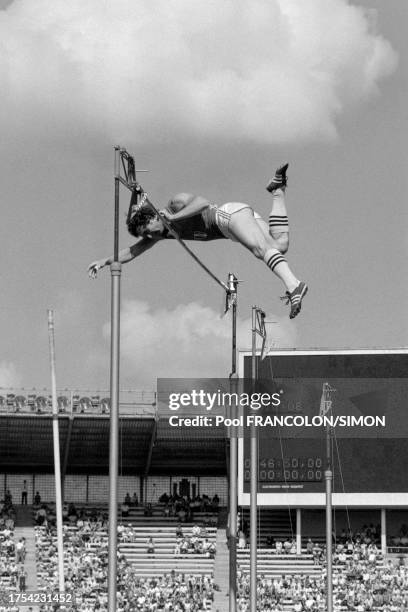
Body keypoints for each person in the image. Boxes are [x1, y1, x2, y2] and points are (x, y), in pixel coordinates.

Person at [88, 164, 308, 319]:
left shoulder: (174, 204)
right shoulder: (161, 234)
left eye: (150, 231)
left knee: (261, 250)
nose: (152, 237)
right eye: (148, 236)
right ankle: (277, 190)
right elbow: (132, 252)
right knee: (279, 245)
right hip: (231, 228)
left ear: (154, 216)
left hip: (228, 216)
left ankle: (294, 285)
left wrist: (174, 218)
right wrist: (104, 261)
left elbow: (203, 203)